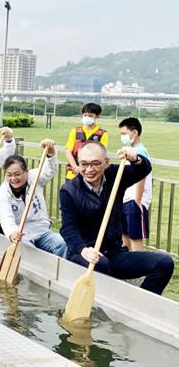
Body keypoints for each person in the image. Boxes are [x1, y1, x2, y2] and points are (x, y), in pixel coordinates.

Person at [59, 141, 174, 295]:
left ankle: (142, 304)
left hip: (114, 254)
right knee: (101, 264)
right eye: (84, 164)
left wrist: (135, 159)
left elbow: (144, 169)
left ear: (106, 163)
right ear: (78, 164)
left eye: (95, 164)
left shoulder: (115, 175)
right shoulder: (69, 190)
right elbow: (68, 227)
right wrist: (83, 250)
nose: (89, 170)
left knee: (164, 263)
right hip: (85, 254)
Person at [0, 139, 67, 257]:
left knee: (63, 244)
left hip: (42, 232)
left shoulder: (35, 177)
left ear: (26, 172)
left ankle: (59, 273)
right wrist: (12, 232)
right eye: (9, 175)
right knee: (30, 253)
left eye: (17, 174)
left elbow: (49, 170)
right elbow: (5, 216)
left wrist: (50, 153)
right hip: (22, 236)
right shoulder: (4, 191)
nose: (13, 178)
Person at [118, 117, 152, 251]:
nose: (122, 137)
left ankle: (139, 269)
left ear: (135, 133)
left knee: (134, 237)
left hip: (135, 200)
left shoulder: (140, 151)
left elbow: (141, 176)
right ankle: (125, 266)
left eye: (124, 133)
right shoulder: (130, 150)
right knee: (124, 235)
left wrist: (138, 200)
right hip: (127, 199)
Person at [65, 102, 108, 180]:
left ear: (97, 116)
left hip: (91, 176)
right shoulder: (74, 131)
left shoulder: (102, 134)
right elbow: (69, 151)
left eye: (90, 115)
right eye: (85, 115)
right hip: (73, 174)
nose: (87, 117)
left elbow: (101, 154)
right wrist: (75, 167)